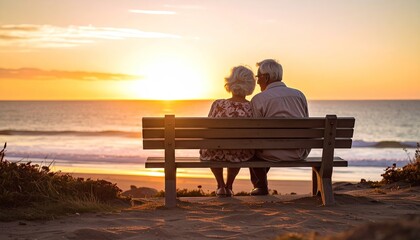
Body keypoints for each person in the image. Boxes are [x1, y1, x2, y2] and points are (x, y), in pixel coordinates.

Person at [249, 59, 310, 196]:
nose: (257, 81)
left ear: (266, 77)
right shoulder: (299, 95)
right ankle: (260, 185)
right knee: (266, 144)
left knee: (253, 146)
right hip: (299, 153)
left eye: (258, 77)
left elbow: (255, 133)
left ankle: (260, 186)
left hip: (271, 154)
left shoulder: (258, 99)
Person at [200, 65, 256, 197]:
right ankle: (229, 185)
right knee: (238, 146)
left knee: (212, 145)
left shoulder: (218, 104)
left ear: (230, 83)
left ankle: (220, 185)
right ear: (250, 85)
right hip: (240, 153)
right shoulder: (252, 107)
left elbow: (208, 131)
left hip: (214, 153)